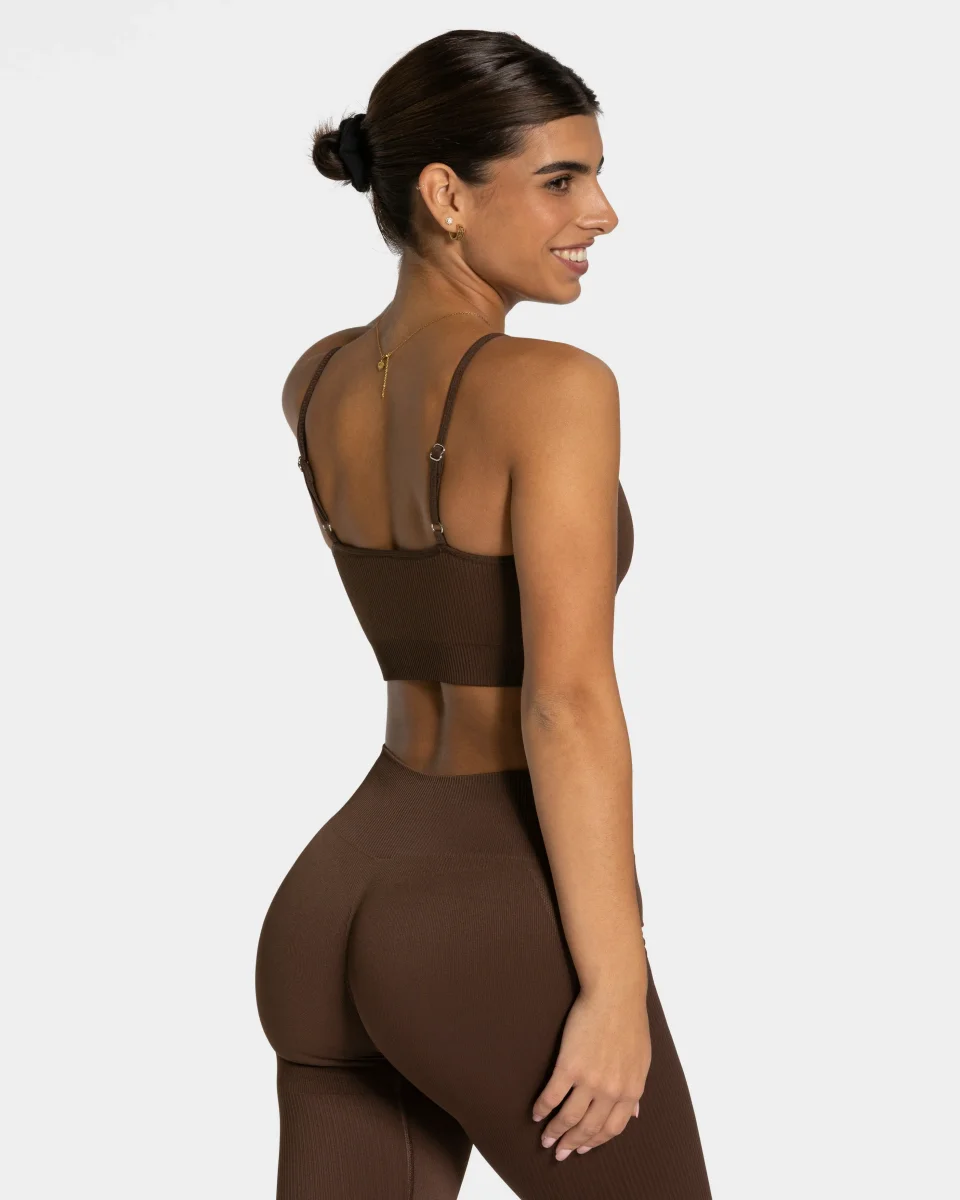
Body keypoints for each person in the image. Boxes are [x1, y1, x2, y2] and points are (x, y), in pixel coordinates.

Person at [255, 28, 713, 1199]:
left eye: (596, 176)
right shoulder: (555, 390)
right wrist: (613, 985)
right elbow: (566, 704)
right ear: (447, 196)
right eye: (561, 180)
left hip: (336, 896)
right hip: (482, 909)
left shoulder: (317, 378)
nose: (601, 213)